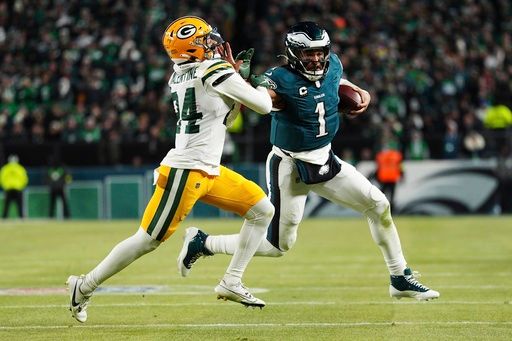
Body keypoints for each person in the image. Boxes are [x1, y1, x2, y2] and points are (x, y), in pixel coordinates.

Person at [178, 21, 439, 302]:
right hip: (290, 166)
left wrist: (363, 94)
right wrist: (239, 81)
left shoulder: (333, 64)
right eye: (308, 54)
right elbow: (261, 99)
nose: (315, 58)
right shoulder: (279, 78)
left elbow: (341, 83)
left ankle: (399, 277)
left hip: (326, 159)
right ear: (293, 53)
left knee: (379, 205)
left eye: (319, 52)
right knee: (278, 246)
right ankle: (203, 243)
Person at [66, 16, 275, 323]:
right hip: (186, 171)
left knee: (262, 211)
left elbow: (228, 119)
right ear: (190, 48)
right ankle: (83, 287)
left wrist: (236, 83)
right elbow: (264, 106)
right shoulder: (213, 69)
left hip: (209, 169)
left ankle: (232, 280)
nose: (213, 44)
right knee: (147, 240)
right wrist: (255, 83)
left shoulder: (182, 73)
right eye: (205, 41)